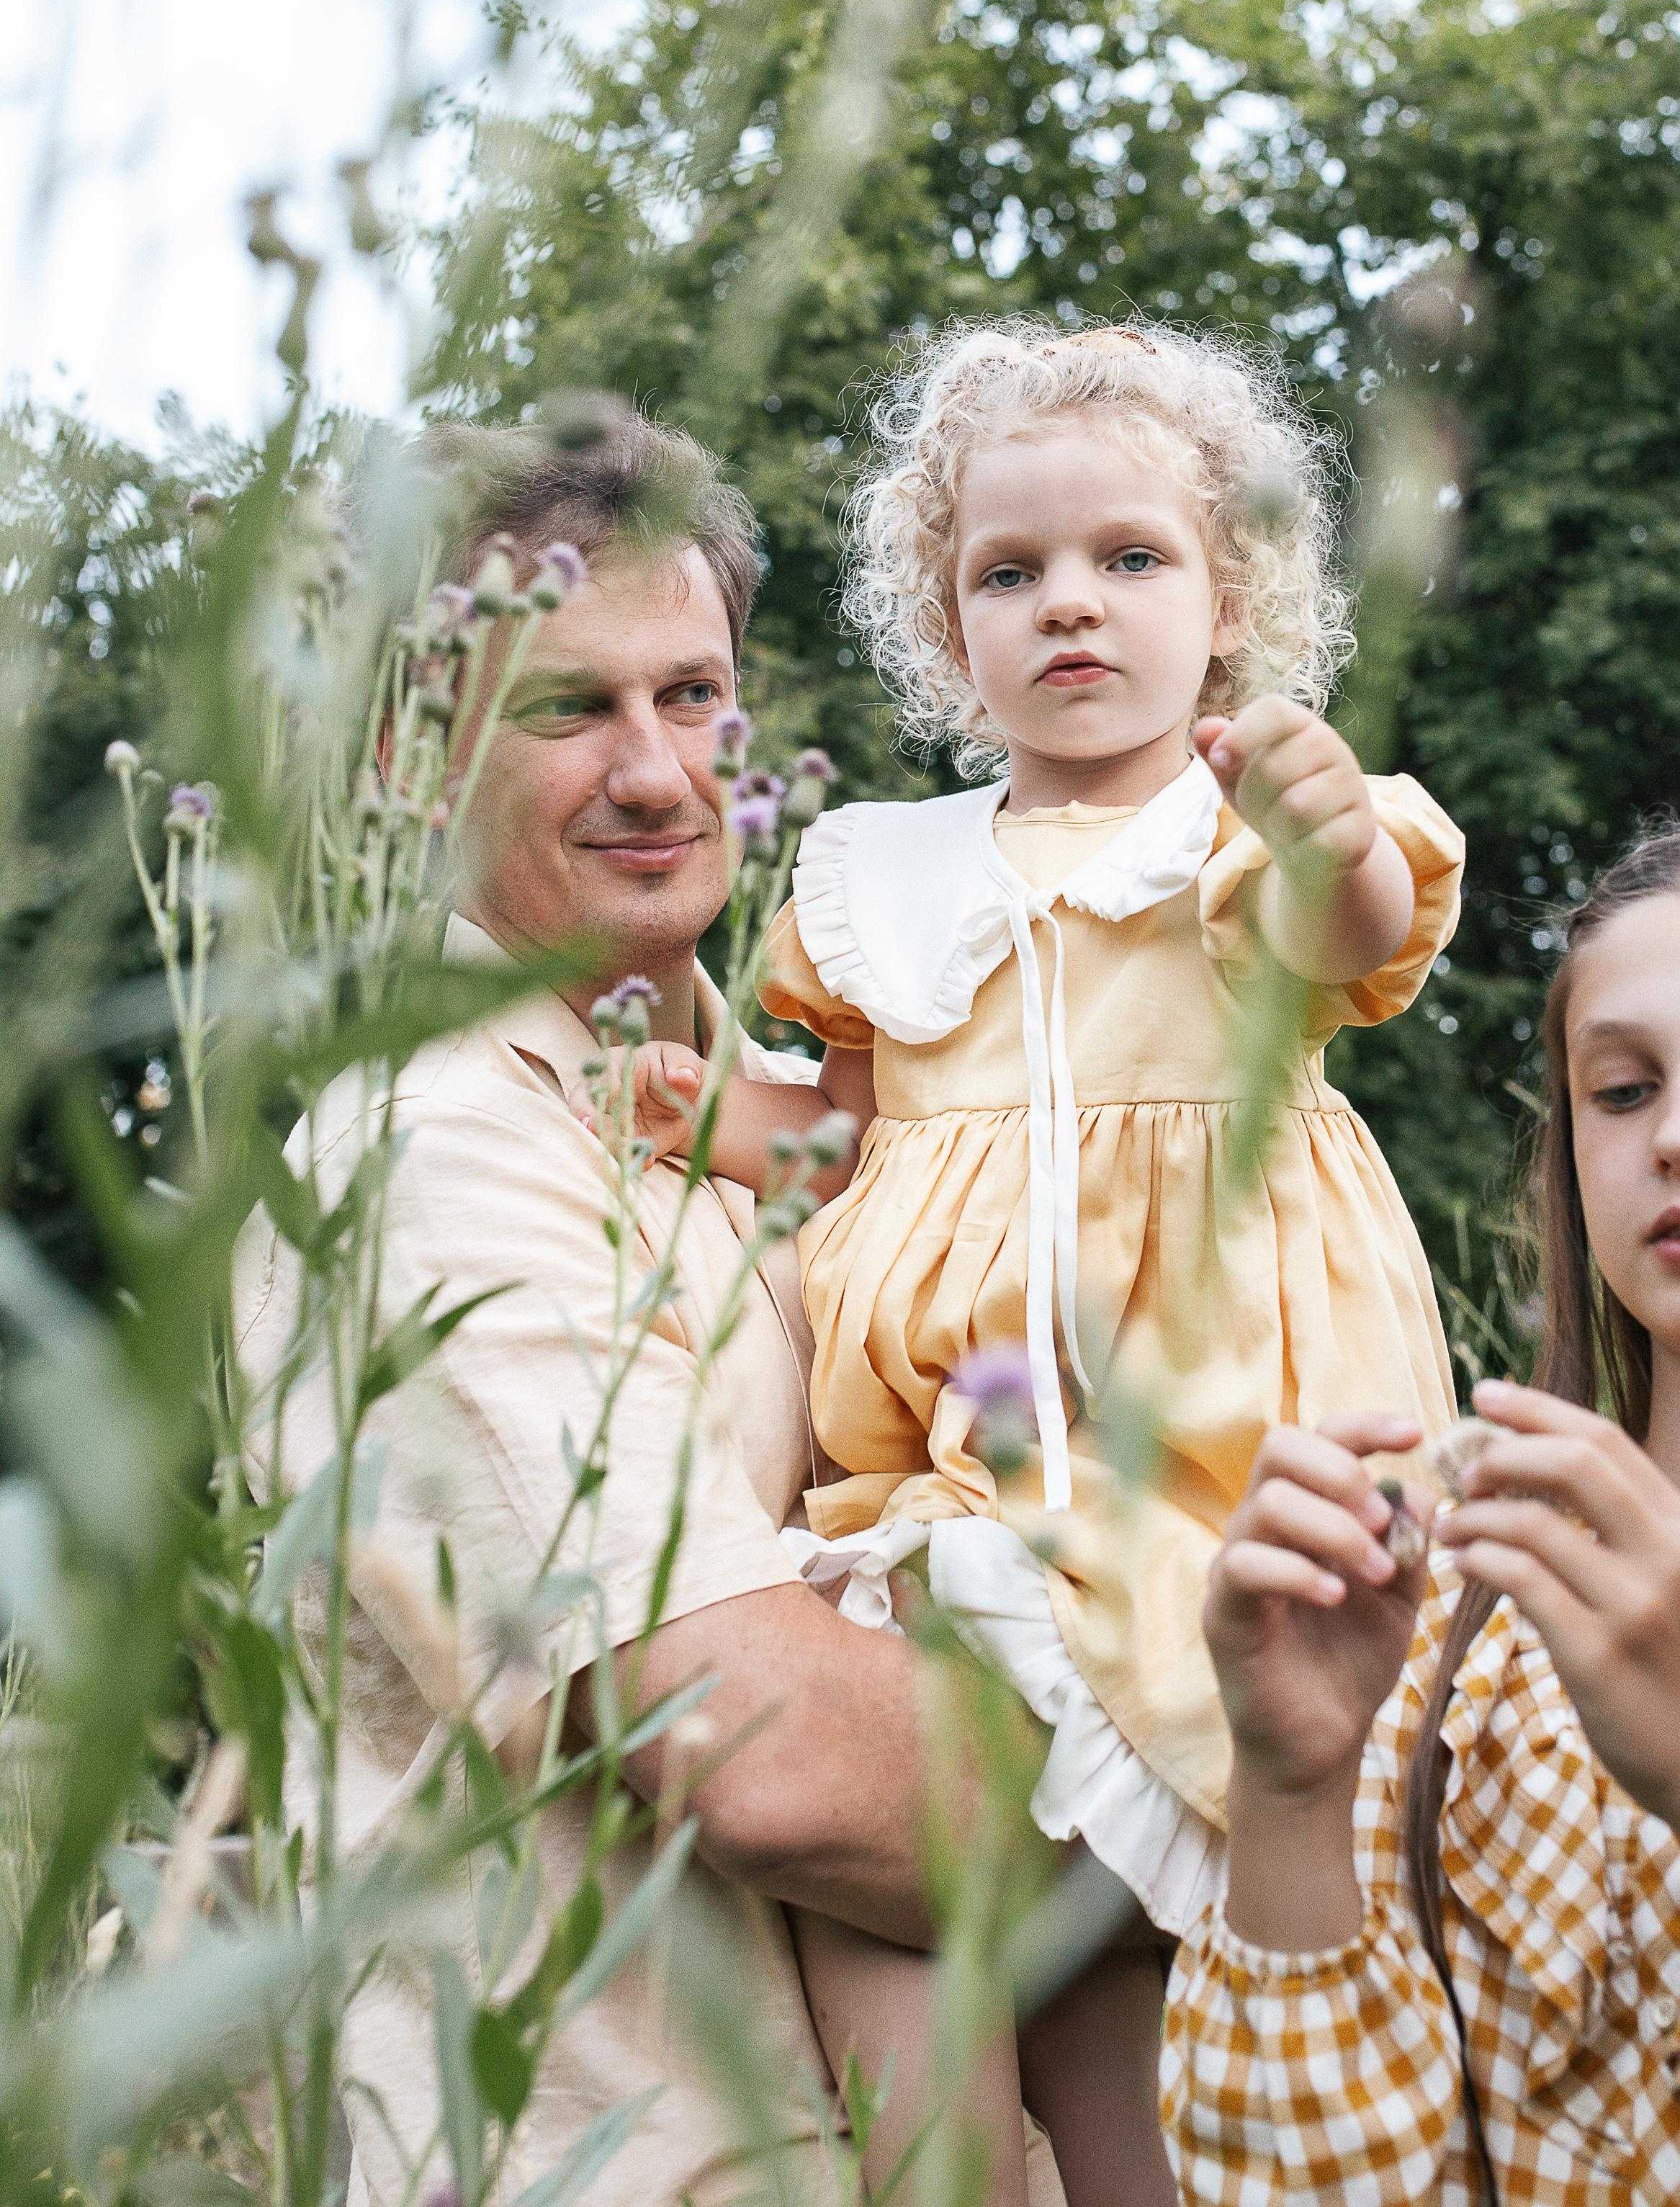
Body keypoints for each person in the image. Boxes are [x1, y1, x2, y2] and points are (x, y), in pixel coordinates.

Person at [589, 318, 1465, 2203]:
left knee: (1145, 1977)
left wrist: (1322, 828)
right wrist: (695, 1107)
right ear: (946, 614)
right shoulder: (888, 873)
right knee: (897, 1886)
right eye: (1010, 570)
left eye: (1127, 558)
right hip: (953, 1466)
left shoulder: (1241, 822)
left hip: (1204, 1460)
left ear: (1223, 597)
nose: (1069, 602)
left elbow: (1353, 932)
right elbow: (842, 1113)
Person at [233, 416, 1066, 2207]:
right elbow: (747, 1748)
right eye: (566, 708)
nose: (655, 771)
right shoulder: (420, 1149)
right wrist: (1238, 1782)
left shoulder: (849, 1128)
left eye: (693, 695)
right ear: (409, 748)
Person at [1162, 815, 1680, 2203]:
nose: (1674, 1136)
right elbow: (1328, 2182)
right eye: (1623, 1091)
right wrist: (1291, 1794)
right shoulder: (1468, 1594)